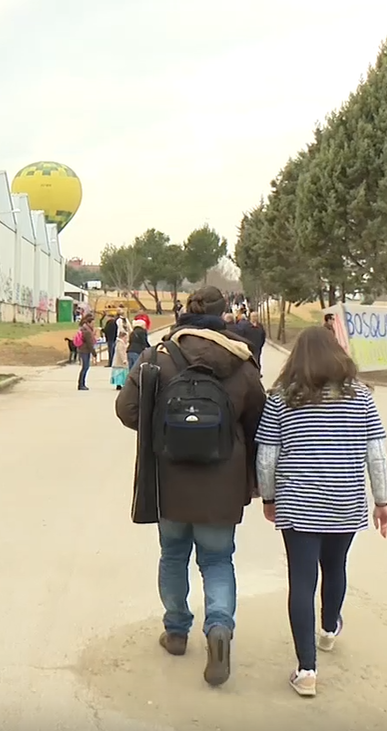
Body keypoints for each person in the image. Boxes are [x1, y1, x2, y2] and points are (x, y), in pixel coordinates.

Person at [114, 286, 267, 688]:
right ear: (224, 315)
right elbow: (261, 422)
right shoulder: (241, 362)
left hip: (170, 481)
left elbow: (126, 409)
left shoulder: (159, 356)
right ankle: (218, 629)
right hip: (222, 483)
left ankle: (177, 630)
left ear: (185, 313)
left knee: (173, 555)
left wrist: (160, 426)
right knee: (217, 561)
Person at [255, 326, 387, 698]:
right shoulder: (361, 398)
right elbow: (376, 454)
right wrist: (382, 501)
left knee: (301, 581)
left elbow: (267, 455)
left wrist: (268, 497)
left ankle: (306, 670)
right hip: (345, 502)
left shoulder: (281, 398)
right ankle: (329, 628)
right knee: (335, 567)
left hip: (298, 503)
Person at [76, 315, 96, 391]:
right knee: (85, 367)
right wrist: (94, 352)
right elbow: (89, 343)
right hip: (84, 350)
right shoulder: (87, 331)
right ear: (88, 323)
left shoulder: (85, 329)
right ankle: (81, 384)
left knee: (85, 367)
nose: (93, 324)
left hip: (83, 350)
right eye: (93, 323)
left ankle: (82, 383)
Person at [110, 317, 130, 390]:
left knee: (121, 373)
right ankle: (119, 384)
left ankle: (120, 384)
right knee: (120, 373)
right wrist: (124, 359)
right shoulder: (120, 344)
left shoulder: (122, 343)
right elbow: (121, 352)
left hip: (120, 362)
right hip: (120, 362)